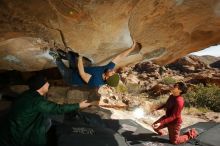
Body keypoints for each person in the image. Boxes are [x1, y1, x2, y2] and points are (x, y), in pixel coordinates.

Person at [0, 75, 91, 146]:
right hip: (22, 130)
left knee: (49, 116)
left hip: (16, 123)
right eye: (46, 82)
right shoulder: (37, 101)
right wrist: (79, 105)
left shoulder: (28, 93)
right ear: (40, 86)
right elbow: (58, 109)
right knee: (47, 122)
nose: (48, 83)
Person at [49, 40, 141, 88]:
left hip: (70, 77)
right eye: (114, 72)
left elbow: (82, 73)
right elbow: (119, 57)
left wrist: (80, 57)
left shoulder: (95, 81)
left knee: (57, 59)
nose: (113, 71)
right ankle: (65, 55)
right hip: (77, 70)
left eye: (112, 73)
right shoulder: (108, 70)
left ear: (107, 78)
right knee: (71, 54)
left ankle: (53, 53)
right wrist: (132, 48)